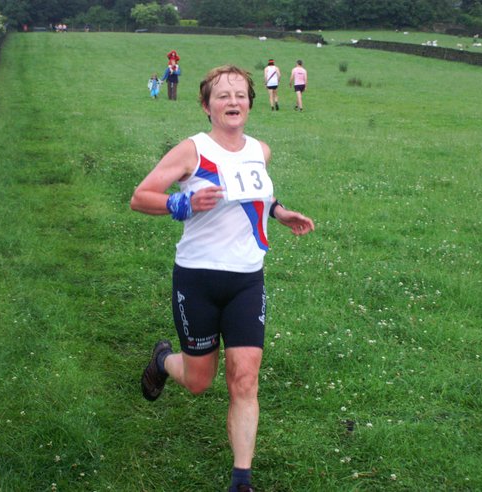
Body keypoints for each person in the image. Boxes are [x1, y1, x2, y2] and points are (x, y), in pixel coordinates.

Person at [131, 65, 315, 492]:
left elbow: (256, 193)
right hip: (198, 278)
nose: (233, 102)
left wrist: (279, 212)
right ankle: (163, 360)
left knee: (245, 379)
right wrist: (182, 204)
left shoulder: (260, 150)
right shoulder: (192, 151)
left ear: (250, 102)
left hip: (247, 280)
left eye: (240, 95)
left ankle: (241, 480)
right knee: (199, 381)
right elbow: (141, 197)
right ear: (206, 105)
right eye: (222, 95)